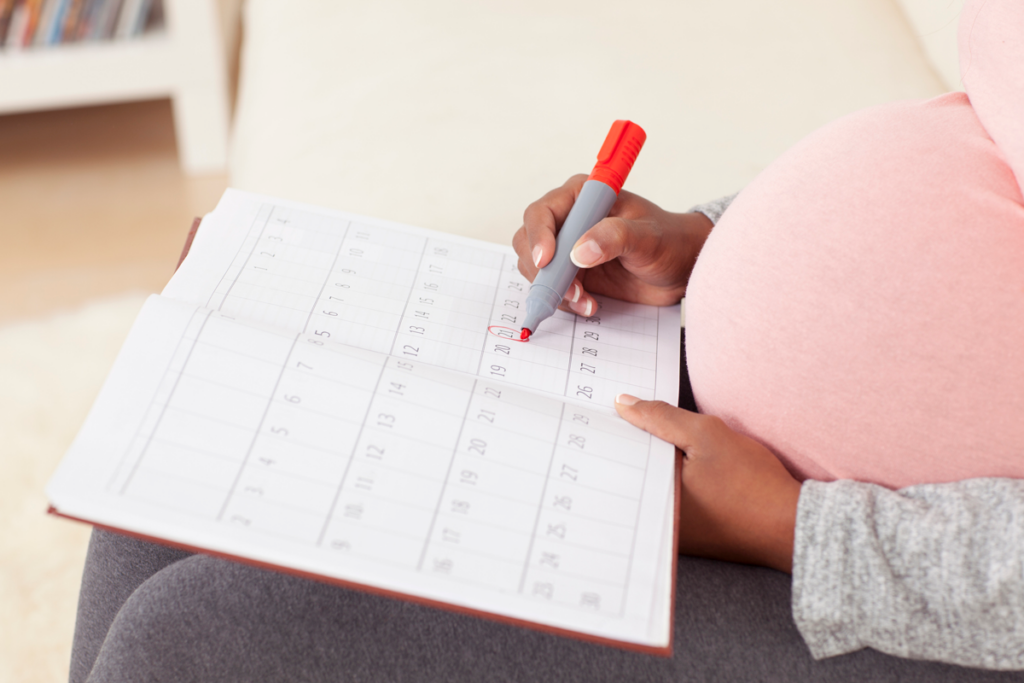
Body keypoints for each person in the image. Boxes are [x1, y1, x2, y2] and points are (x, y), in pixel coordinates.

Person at [69, 0, 1024, 680]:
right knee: (166, 491)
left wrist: (797, 531)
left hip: (891, 580)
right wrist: (712, 242)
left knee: (193, 635)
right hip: (725, 415)